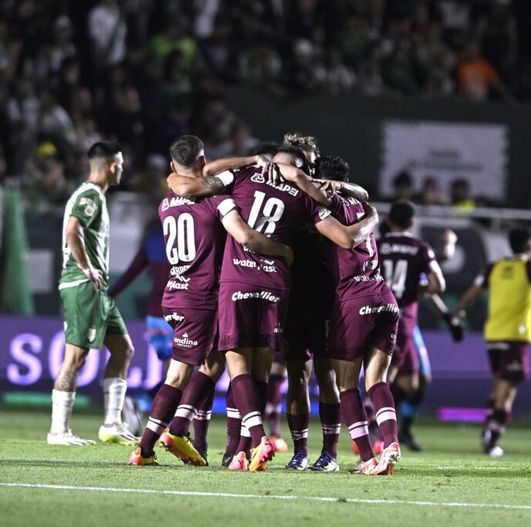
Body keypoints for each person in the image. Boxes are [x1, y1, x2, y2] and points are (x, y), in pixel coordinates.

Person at [168, 145, 378, 472]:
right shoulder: (305, 195)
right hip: (284, 290)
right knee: (278, 372)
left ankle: (259, 447)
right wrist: (369, 215)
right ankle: (255, 449)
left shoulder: (247, 178)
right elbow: (344, 231)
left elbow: (201, 176)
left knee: (244, 366)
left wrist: (261, 164)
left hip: (273, 288)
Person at [128, 135, 293, 466]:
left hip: (175, 293)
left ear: (174, 167)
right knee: (194, 371)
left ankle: (183, 432)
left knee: (216, 363)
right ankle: (148, 447)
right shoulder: (216, 202)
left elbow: (183, 184)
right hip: (202, 297)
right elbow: (245, 235)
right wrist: (284, 251)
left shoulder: (165, 204)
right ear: (203, 163)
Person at [273, 157, 402, 475]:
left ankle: (365, 457)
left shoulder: (323, 209)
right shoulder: (360, 205)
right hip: (383, 296)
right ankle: (391, 444)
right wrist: (372, 215)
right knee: (376, 380)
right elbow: (364, 199)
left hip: (351, 299)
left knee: (345, 385)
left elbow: (345, 238)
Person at [454, 221, 531, 457]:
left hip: (493, 336)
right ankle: (492, 435)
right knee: (507, 388)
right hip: (515, 337)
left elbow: (473, 292)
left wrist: (457, 312)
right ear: (530, 244)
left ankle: (490, 430)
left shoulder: (495, 267)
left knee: (501, 385)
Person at [49, 141, 137, 446]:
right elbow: (72, 230)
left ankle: (112, 423)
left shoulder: (94, 195)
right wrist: (86, 268)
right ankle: (58, 431)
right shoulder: (89, 195)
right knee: (75, 357)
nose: (123, 169)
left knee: (124, 349)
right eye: (121, 164)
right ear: (113, 166)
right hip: (83, 284)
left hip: (98, 288)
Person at [379, 201, 447, 451]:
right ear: (412, 222)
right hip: (401, 316)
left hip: (374, 310)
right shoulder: (419, 248)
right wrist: (416, 287)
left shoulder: (377, 244)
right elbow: (438, 284)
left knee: (406, 382)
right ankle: (371, 425)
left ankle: (382, 426)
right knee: (388, 374)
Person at [108, 217, 171, 404]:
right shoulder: (187, 238)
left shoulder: (151, 241)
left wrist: (109, 295)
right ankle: (142, 403)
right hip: (177, 315)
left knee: (174, 372)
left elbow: (131, 273)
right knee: (184, 373)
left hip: (154, 317)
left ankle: (161, 416)